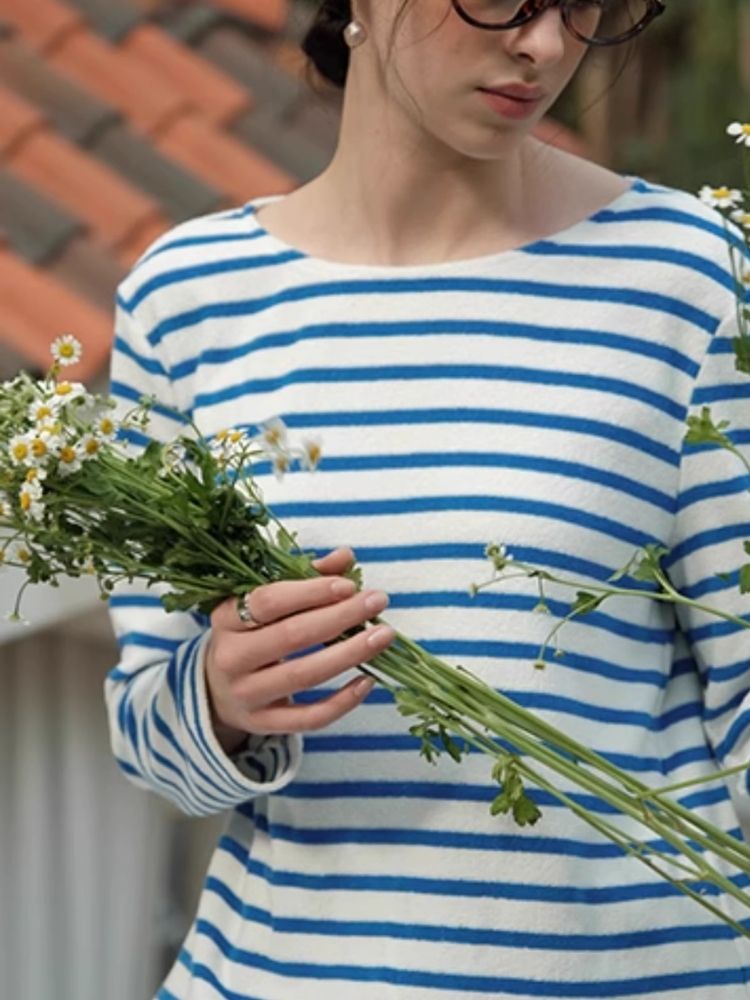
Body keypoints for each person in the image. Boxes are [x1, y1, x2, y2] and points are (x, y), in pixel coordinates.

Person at [105, 1, 750, 996]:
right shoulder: (187, 300)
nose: (543, 45)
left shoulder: (690, 274)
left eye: (581, 7)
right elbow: (149, 733)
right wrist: (225, 700)